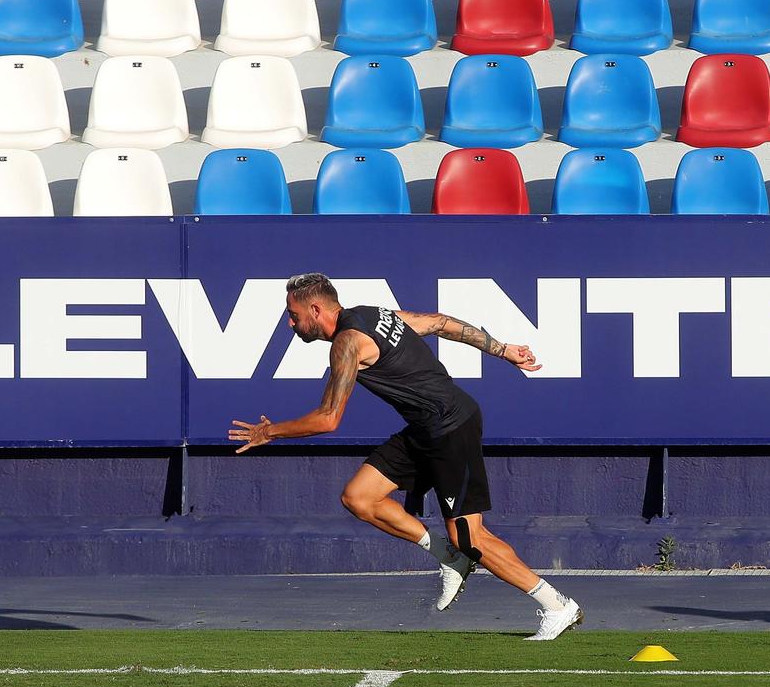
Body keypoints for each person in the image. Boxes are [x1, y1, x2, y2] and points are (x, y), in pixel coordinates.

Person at [228, 273, 584, 641]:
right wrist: (502, 349)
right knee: (359, 497)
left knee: (470, 536)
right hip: (424, 429)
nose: (290, 323)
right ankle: (448, 555)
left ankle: (557, 605)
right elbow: (440, 323)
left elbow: (328, 418)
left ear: (315, 310)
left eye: (293, 314)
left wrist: (268, 432)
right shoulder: (372, 314)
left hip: (450, 428)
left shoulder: (347, 343)